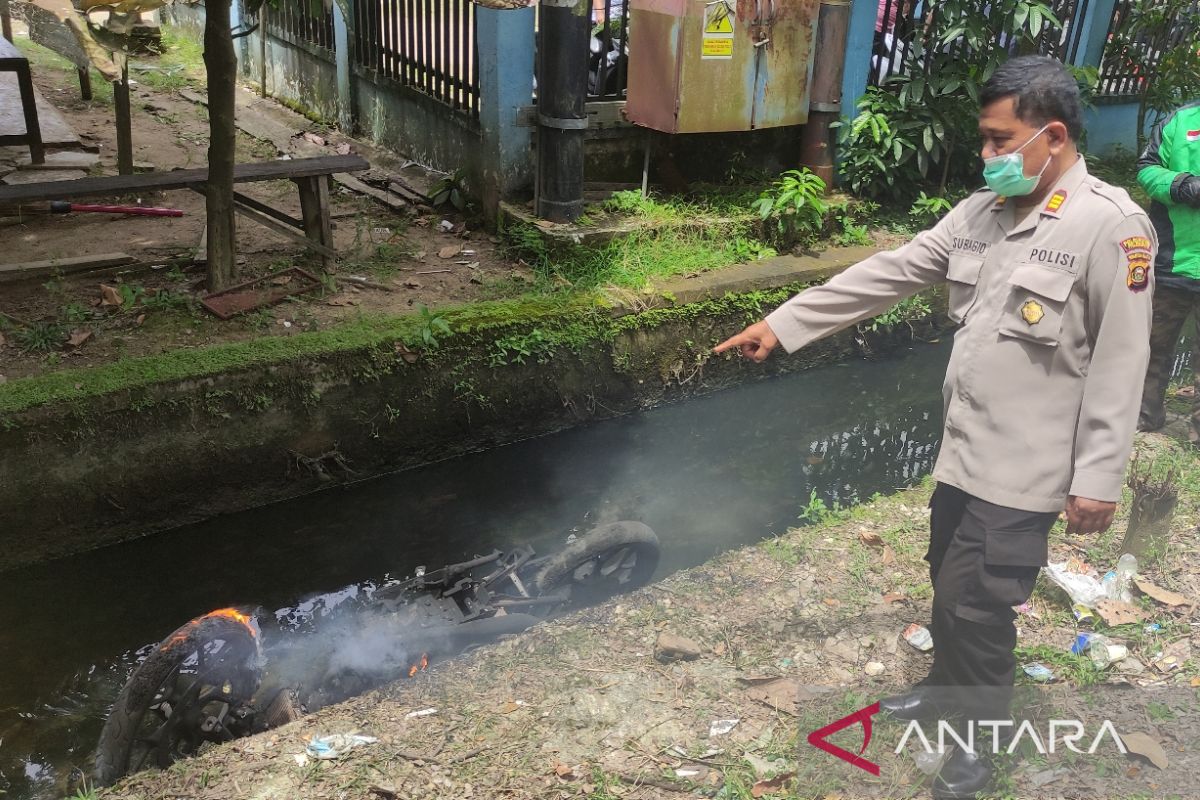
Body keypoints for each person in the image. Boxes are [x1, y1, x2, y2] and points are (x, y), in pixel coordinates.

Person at [715, 56, 1154, 800]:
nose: (986, 156)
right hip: (962, 454)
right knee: (945, 579)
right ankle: (945, 689)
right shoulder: (982, 213)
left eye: (997, 140)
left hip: (1028, 467)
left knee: (976, 606)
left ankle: (976, 748)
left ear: (1051, 136)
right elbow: (892, 270)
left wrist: (1098, 479)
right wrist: (784, 325)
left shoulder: (1109, 226)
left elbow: (1121, 362)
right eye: (983, 140)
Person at [1136, 99, 1200, 443]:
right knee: (1150, 345)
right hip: (1172, 259)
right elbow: (1147, 168)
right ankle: (1145, 414)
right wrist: (1181, 185)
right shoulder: (1180, 120)